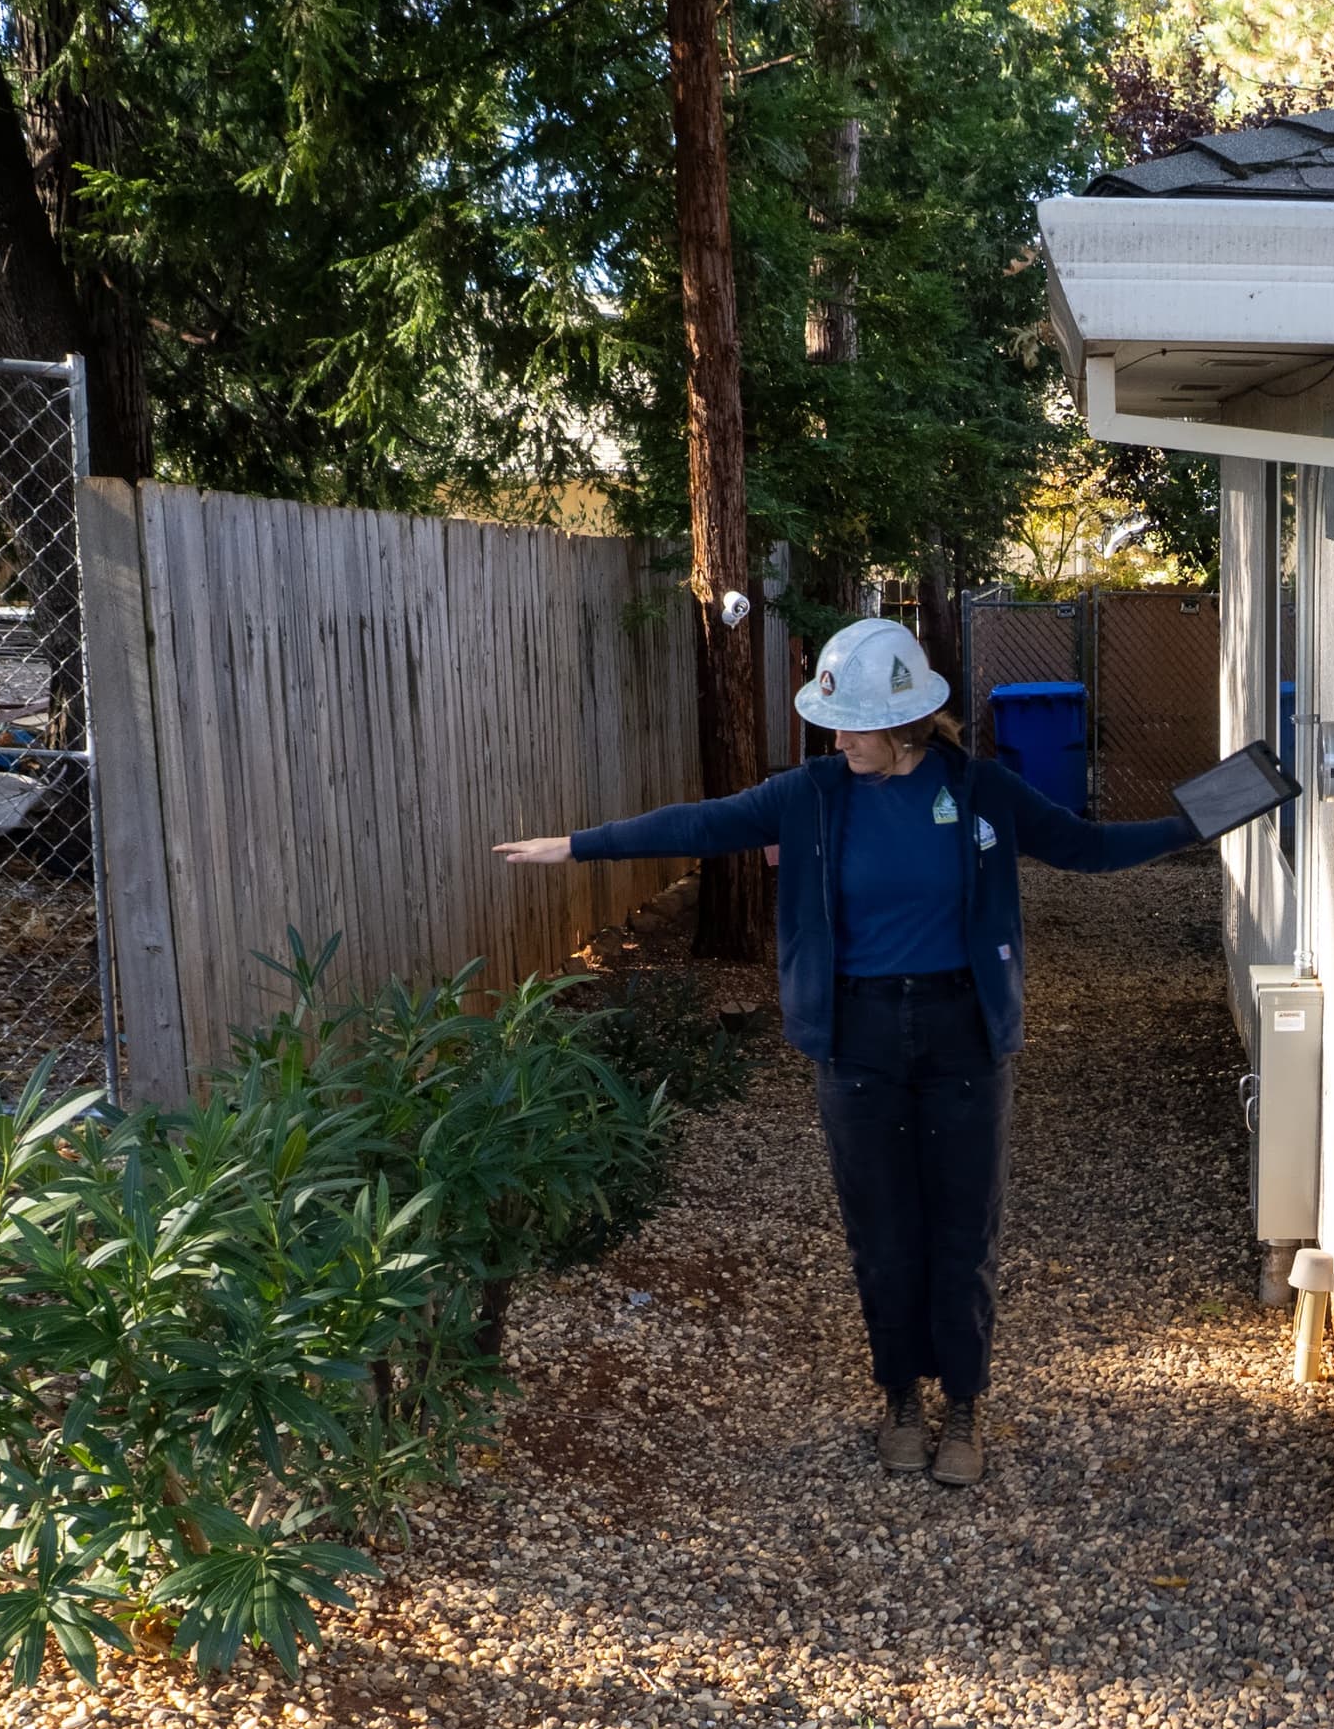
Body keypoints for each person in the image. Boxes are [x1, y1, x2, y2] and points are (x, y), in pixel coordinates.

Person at [489, 616, 1208, 1489]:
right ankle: (901, 1395)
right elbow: (703, 824)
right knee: (882, 1233)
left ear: (905, 722)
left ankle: (965, 1405)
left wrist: (1201, 819)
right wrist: (577, 845)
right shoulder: (813, 794)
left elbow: (1088, 849)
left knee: (962, 1228)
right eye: (835, 722)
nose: (839, 737)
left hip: (962, 1036)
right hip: (858, 1040)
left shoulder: (980, 791)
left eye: (856, 722)